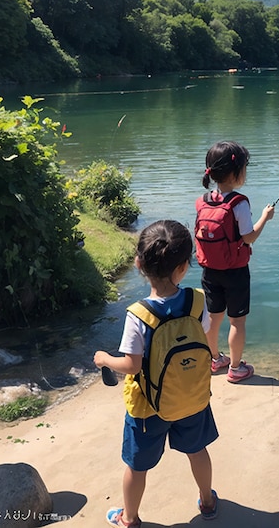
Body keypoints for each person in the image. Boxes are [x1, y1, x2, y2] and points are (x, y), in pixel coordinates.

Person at [94, 220, 219, 527]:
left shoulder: (139, 315)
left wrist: (106, 359)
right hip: (191, 398)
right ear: (184, 266)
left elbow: (132, 366)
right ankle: (207, 500)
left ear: (138, 264)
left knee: (137, 467)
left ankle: (130, 517)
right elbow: (204, 340)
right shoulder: (197, 300)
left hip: (148, 408)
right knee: (197, 450)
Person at [197, 141, 275, 383]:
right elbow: (249, 237)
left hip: (210, 270)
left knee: (212, 317)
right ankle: (236, 367)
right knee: (237, 322)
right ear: (236, 173)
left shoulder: (203, 200)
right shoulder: (238, 203)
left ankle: (214, 358)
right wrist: (265, 217)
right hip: (235, 272)